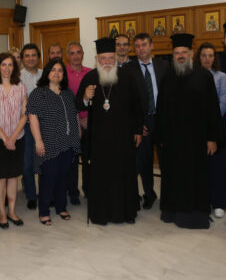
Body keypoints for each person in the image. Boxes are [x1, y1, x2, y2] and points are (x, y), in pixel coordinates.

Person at [155, 34, 222, 229]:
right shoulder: (167, 78)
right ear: (173, 55)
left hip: (197, 140)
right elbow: (161, 109)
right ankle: (172, 211)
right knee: (173, 176)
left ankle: (196, 215)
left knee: (196, 176)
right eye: (177, 53)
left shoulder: (204, 76)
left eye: (184, 52)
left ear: (191, 54)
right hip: (172, 140)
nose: (181, 56)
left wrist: (212, 138)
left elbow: (213, 109)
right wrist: (160, 136)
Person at [77, 37, 142, 225]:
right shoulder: (90, 78)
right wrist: (85, 97)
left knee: (124, 173)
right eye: (103, 58)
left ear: (115, 58)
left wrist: (138, 130)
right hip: (99, 138)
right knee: (102, 175)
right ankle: (102, 213)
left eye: (110, 58)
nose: (107, 62)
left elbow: (137, 106)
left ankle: (126, 212)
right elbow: (77, 104)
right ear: (97, 59)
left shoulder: (127, 77)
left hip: (123, 136)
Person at [29, 59, 81, 225]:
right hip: (48, 142)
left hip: (67, 141)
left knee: (63, 177)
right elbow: (32, 117)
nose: (56, 73)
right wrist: (38, 141)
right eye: (53, 70)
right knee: (48, 178)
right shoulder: (38, 93)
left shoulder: (67, 93)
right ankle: (44, 212)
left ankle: (61, 207)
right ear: (47, 72)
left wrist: (78, 133)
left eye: (60, 70)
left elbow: (74, 115)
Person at [125, 33, 168, 210]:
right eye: (137, 46)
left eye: (144, 44)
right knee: (144, 161)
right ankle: (149, 194)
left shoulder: (164, 66)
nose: (141, 48)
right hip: (142, 122)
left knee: (166, 161)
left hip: (162, 120)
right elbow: (127, 101)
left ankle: (168, 197)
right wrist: (136, 124)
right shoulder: (128, 69)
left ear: (151, 46)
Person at [0, 52, 27, 227]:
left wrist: (13, 137)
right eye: (3, 64)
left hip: (17, 138)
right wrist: (5, 138)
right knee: (1, 178)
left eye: (10, 64)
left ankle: (11, 211)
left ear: (14, 67)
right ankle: (2, 213)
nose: (7, 68)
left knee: (13, 176)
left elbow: (24, 114)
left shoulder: (21, 86)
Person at [194, 42, 226, 218]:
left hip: (215, 127)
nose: (207, 59)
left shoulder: (222, 77)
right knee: (200, 167)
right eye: (204, 55)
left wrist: (209, 122)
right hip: (197, 129)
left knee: (217, 167)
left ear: (215, 58)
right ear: (198, 57)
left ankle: (218, 203)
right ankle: (203, 201)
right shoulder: (192, 75)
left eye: (210, 55)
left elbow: (223, 103)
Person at [65, 41, 91, 205]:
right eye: (72, 53)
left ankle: (89, 189)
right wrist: (78, 119)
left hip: (90, 123)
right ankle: (72, 192)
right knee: (72, 161)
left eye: (78, 52)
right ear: (67, 56)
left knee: (89, 159)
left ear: (83, 54)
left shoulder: (91, 73)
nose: (76, 56)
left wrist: (88, 118)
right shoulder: (61, 74)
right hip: (70, 124)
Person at [19, 44, 41, 209]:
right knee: (27, 163)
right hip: (25, 125)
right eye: (27, 55)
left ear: (38, 57)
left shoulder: (46, 74)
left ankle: (46, 192)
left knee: (44, 160)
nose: (31, 58)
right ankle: (31, 195)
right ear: (22, 59)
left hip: (45, 125)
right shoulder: (17, 77)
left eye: (33, 55)